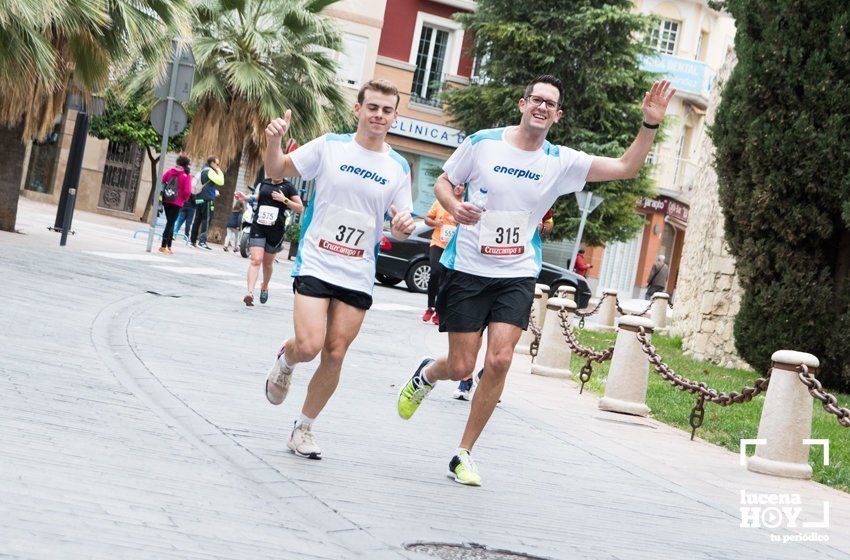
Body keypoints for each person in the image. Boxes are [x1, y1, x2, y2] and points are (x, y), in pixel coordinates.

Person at [395, 75, 675, 486]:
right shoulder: (483, 143)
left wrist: (649, 124)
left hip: (517, 272)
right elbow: (442, 182)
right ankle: (427, 374)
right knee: (460, 366)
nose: (542, 107)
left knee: (501, 360)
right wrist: (455, 205)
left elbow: (625, 167)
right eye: (537, 100)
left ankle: (463, 453)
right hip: (469, 268)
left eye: (551, 104)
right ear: (523, 104)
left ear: (557, 115)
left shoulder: (559, 161)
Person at [262, 79, 415, 460]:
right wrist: (273, 141)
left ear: (394, 116)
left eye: (387, 110)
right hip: (317, 259)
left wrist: (403, 225)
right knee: (310, 346)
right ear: (358, 109)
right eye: (373, 107)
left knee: (334, 353)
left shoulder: (398, 166)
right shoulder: (330, 146)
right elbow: (277, 169)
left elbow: (401, 215)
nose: (379, 115)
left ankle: (303, 428)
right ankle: (288, 358)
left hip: (358, 270)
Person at [235, 177, 303, 305]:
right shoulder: (265, 182)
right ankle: (250, 293)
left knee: (267, 263)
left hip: (276, 229)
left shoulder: (289, 187)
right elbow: (258, 197)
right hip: (258, 226)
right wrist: (245, 197)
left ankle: (265, 285)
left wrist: (285, 200)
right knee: (256, 260)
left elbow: (300, 208)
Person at [422, 184, 464, 324]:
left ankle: (439, 311)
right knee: (435, 272)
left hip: (452, 247)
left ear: (465, 189)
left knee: (445, 280)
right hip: (437, 243)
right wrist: (435, 223)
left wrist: (458, 223)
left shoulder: (465, 206)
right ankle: (430, 307)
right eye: (456, 184)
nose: (458, 187)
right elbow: (427, 219)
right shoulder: (440, 202)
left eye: (462, 185)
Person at [158, 156, 193, 255]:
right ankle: (163, 246)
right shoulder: (186, 176)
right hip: (177, 203)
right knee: (170, 223)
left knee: (171, 222)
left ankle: (169, 246)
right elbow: (187, 191)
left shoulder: (170, 171)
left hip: (166, 200)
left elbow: (163, 180)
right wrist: (183, 199)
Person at [190, 156, 225, 249]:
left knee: (197, 219)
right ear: (212, 163)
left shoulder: (203, 170)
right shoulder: (210, 171)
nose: (218, 166)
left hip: (199, 198)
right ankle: (202, 242)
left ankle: (192, 241)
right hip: (207, 199)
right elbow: (221, 182)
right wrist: (220, 171)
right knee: (207, 219)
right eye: (217, 164)